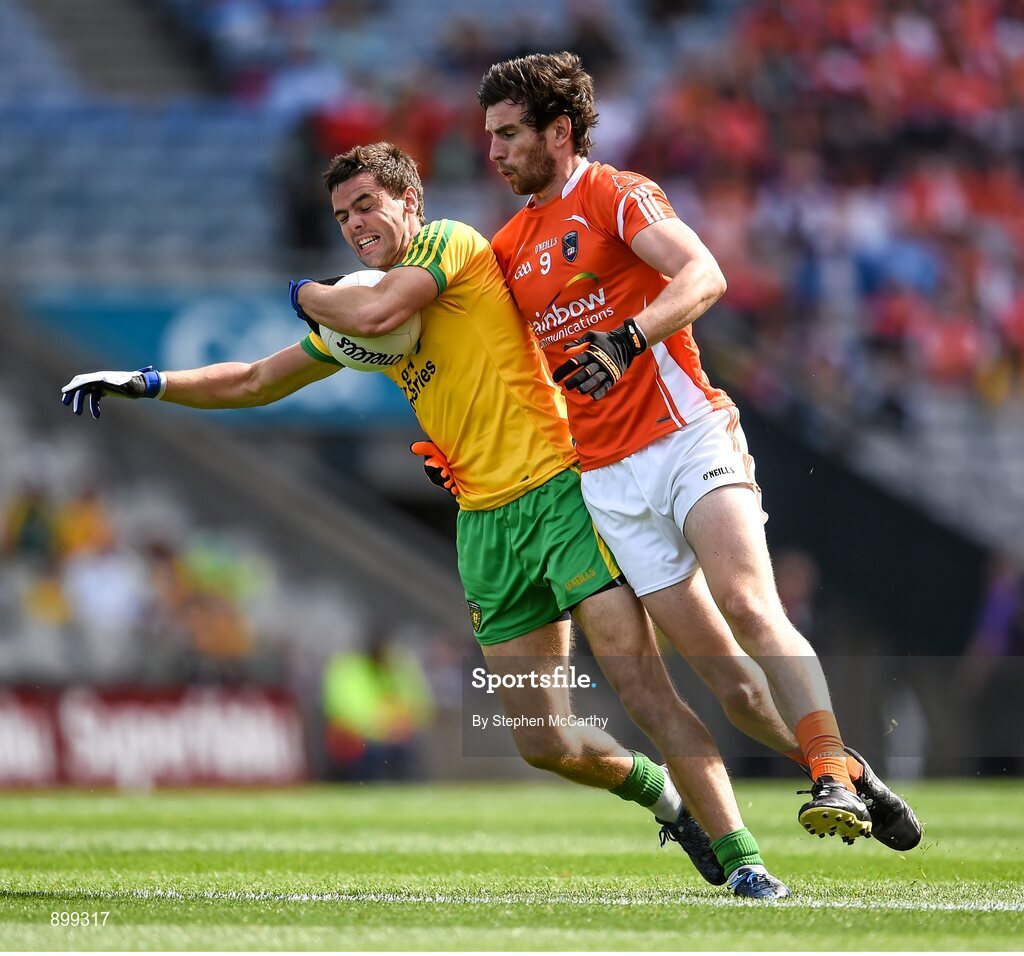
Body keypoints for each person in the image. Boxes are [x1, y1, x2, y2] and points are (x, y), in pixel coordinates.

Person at [60, 142, 789, 898]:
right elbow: (253, 379)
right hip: (483, 525)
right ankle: (667, 802)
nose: (355, 224)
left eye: (368, 205)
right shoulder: (364, 312)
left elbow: (375, 305)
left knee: (642, 691)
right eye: (342, 215)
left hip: (563, 496)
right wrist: (146, 381)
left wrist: (304, 290)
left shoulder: (449, 245)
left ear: (411, 201)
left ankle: (745, 860)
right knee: (543, 742)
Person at [479, 52, 921, 850]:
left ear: (560, 130)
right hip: (608, 481)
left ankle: (828, 779)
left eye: (510, 134)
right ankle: (844, 767)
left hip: (688, 436)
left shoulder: (616, 192)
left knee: (751, 601)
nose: (496, 151)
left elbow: (703, 273)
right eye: (491, 137)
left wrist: (627, 336)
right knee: (731, 690)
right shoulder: (507, 246)